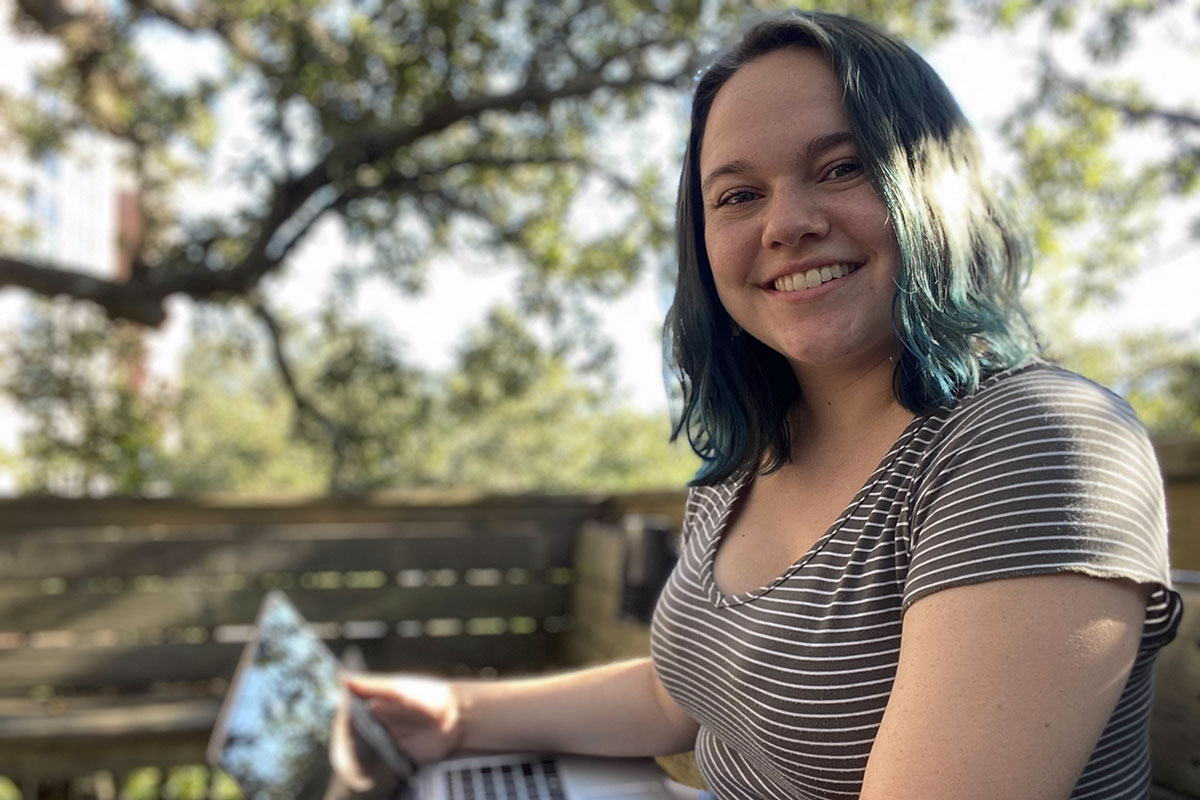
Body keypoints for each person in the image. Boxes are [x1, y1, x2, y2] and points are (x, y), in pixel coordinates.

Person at [330, 12, 1183, 800]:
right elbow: (683, 686)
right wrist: (457, 717)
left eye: (841, 167)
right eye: (738, 195)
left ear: (935, 187)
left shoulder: (1031, 443)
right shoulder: (747, 461)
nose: (787, 223)